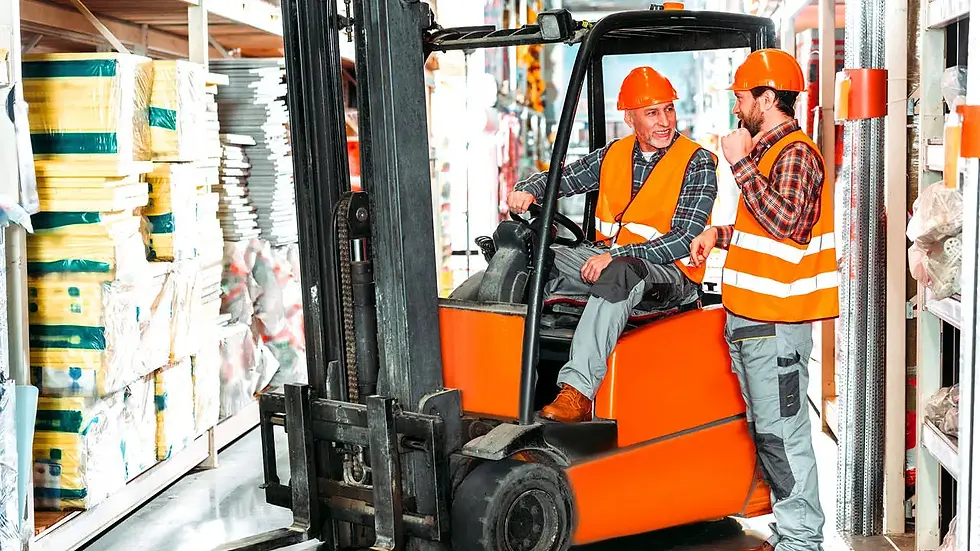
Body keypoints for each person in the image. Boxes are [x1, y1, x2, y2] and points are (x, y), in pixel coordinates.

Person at [508, 66, 718, 423]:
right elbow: (565, 178)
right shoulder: (614, 155)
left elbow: (684, 239)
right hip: (612, 261)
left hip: (670, 276)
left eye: (668, 109)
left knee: (619, 273)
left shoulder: (696, 162)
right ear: (630, 117)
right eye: (652, 113)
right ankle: (511, 368)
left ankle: (578, 391)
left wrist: (615, 255)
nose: (664, 120)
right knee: (535, 254)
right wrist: (530, 188)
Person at [689, 49, 838, 551]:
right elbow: (764, 228)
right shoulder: (769, 154)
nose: (737, 107)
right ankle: (791, 527)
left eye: (742, 97)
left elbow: (789, 225)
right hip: (754, 321)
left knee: (783, 436)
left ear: (768, 98)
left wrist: (739, 164)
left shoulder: (794, 152)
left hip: (776, 325)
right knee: (769, 433)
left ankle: (802, 539)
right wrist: (722, 233)